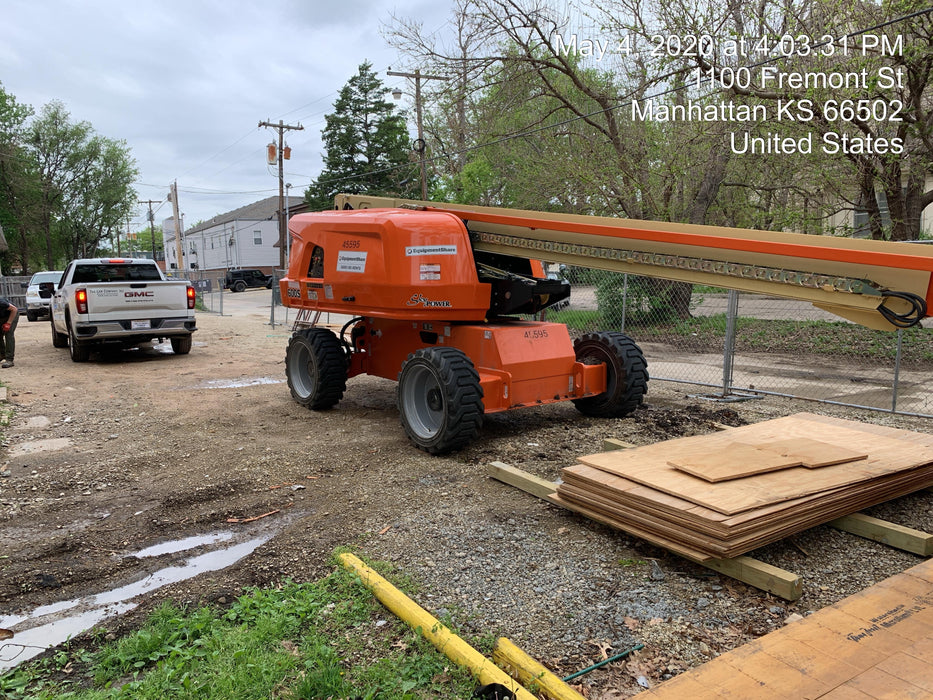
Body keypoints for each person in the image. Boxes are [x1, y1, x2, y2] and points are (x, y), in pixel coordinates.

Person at [0, 297, 18, 368]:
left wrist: (8, 323)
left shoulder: (1, 302)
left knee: (8, 334)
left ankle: (9, 359)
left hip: (12, 314)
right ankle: (2, 355)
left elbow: (14, 309)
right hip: (2, 316)